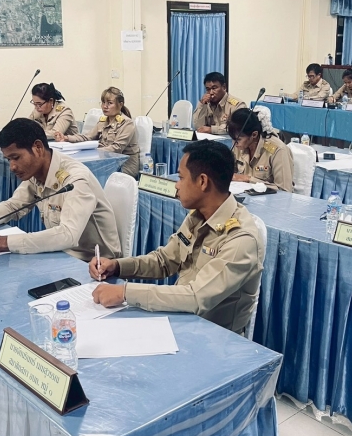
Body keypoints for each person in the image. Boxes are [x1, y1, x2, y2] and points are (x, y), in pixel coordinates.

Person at [89, 140, 263, 334]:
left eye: (181, 178)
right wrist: (117, 266)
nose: (176, 186)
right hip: (181, 320)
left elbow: (195, 297)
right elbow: (164, 261)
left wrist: (125, 293)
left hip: (213, 337)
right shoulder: (199, 216)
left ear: (203, 181)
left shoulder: (241, 240)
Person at [0, 119, 121, 261]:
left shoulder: (75, 180)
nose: (12, 167)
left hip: (96, 265)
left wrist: (2, 242)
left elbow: (68, 235)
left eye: (16, 158)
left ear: (38, 147)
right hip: (62, 256)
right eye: (8, 160)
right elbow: (14, 205)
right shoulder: (37, 172)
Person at [55, 86, 140, 176]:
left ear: (120, 104)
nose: (105, 106)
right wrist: (66, 138)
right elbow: (87, 137)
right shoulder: (103, 121)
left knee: (86, 173)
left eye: (109, 103)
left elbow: (116, 148)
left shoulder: (127, 123)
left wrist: (92, 152)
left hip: (124, 164)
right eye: (103, 102)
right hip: (105, 160)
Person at [227, 107, 293, 192]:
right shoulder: (239, 146)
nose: (234, 143)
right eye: (232, 139)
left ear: (254, 135)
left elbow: (284, 190)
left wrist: (249, 179)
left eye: (238, 139)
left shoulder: (278, 150)